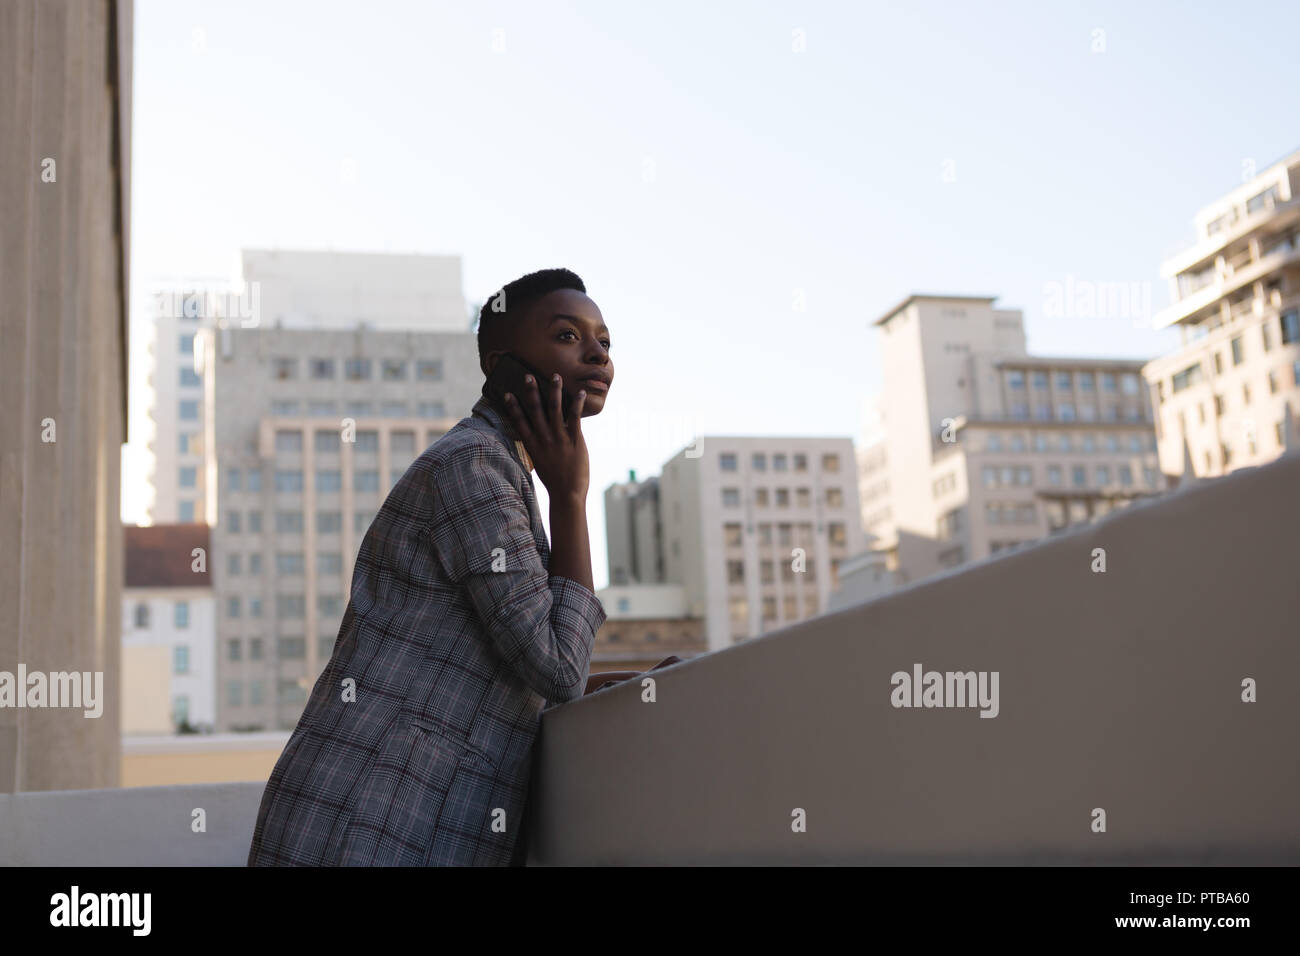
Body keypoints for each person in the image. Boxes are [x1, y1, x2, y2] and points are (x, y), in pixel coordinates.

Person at [247, 267, 625, 866]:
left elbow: (522, 670)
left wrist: (614, 691)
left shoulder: (501, 472)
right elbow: (557, 667)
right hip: (361, 823)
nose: (598, 353)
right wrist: (571, 496)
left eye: (604, 340)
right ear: (502, 363)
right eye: (567, 335)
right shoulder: (472, 469)